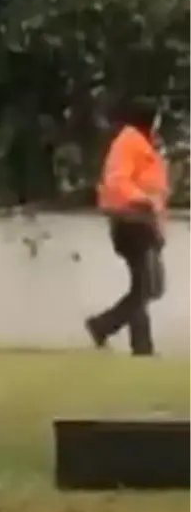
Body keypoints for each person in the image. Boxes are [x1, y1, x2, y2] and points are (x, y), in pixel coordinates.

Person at [84, 99, 168, 356]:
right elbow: (116, 180)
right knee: (146, 286)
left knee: (149, 287)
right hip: (131, 222)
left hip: (144, 224)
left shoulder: (144, 144)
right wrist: (142, 201)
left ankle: (104, 327)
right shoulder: (129, 142)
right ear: (150, 118)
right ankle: (135, 342)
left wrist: (158, 226)